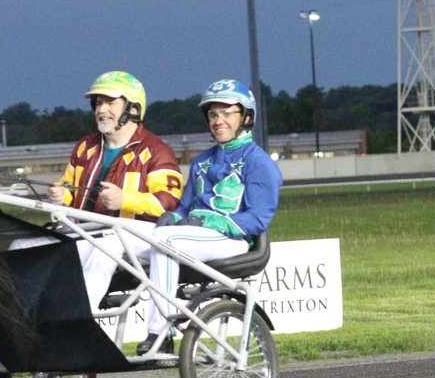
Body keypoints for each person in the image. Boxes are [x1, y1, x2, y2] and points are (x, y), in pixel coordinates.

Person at [138, 79, 283, 355]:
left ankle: (162, 332)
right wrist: (174, 215)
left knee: (164, 240)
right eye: (213, 114)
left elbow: (257, 220)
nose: (218, 120)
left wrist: (210, 222)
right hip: (194, 237)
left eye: (227, 113)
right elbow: (185, 207)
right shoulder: (201, 161)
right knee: (125, 236)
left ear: (246, 117)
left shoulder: (259, 162)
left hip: (233, 240)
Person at [41, 71, 183, 311]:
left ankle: (77, 319)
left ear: (134, 109)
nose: (101, 109)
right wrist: (60, 195)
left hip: (138, 238)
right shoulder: (85, 147)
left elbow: (168, 203)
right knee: (24, 247)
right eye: (98, 102)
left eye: (110, 102)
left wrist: (125, 200)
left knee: (104, 244)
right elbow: (69, 188)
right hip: (88, 232)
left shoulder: (158, 151)